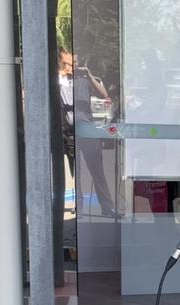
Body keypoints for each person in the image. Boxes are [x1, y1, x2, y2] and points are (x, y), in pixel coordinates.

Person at [58, 49, 117, 217]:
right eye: (68, 64)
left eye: (75, 63)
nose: (72, 67)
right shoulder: (59, 80)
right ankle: (80, 208)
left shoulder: (84, 79)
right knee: (75, 171)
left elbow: (104, 95)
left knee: (96, 169)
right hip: (67, 130)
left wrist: (89, 75)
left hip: (86, 128)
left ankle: (107, 207)